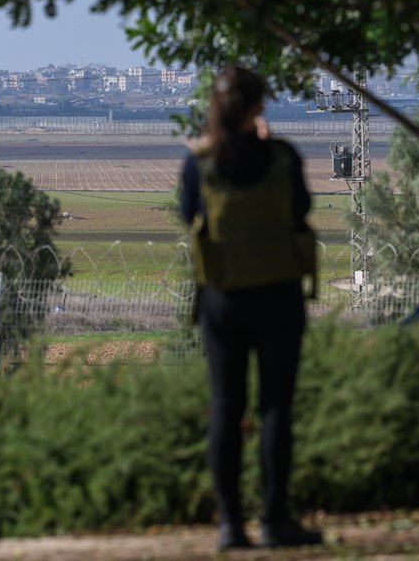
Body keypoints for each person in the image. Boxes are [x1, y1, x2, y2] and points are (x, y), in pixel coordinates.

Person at [179, 66, 321, 550]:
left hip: (223, 298)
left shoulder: (200, 163)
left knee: (225, 406)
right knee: (276, 407)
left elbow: (188, 214)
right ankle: (275, 518)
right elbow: (300, 209)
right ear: (259, 106)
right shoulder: (281, 157)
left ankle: (230, 526)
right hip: (279, 294)